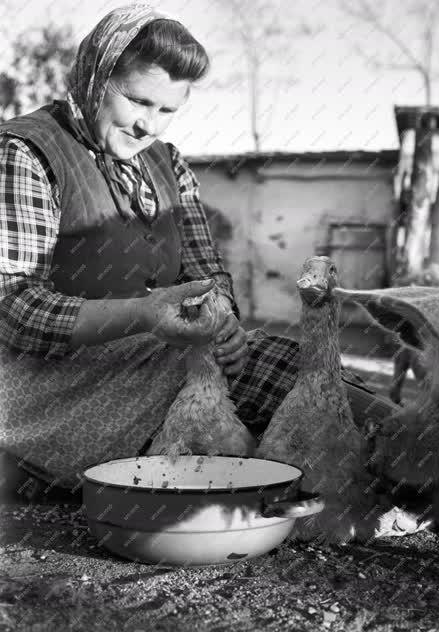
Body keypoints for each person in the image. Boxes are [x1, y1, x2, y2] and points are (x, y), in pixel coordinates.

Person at [0, 4, 396, 496]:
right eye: (138, 101)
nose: (150, 126)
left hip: (163, 357)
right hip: (62, 387)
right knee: (284, 399)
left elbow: (206, 268)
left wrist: (223, 320)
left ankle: (436, 459)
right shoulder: (27, 152)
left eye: (167, 110)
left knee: (310, 381)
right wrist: (145, 313)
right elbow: (11, 307)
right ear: (95, 78)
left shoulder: (167, 163)